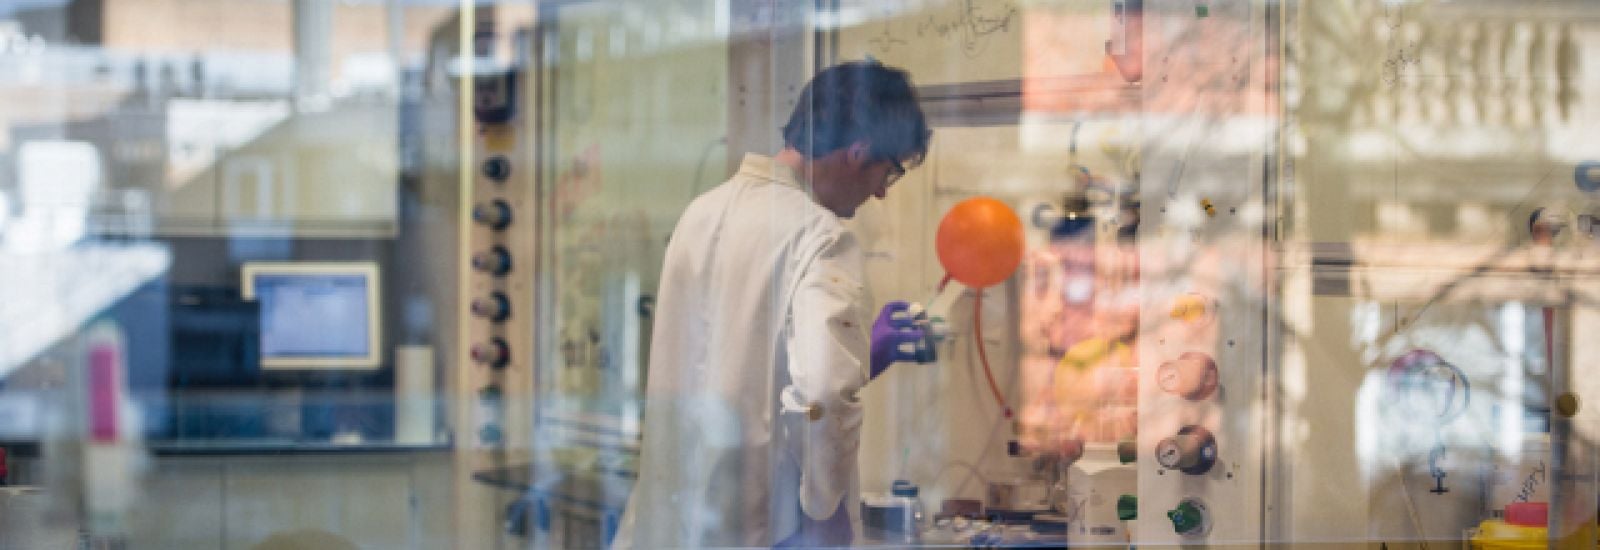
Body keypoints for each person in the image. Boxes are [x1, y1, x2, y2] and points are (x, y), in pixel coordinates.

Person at [612, 61, 933, 548]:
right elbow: (821, 394)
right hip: (764, 529)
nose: (882, 192)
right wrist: (825, 513)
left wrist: (863, 356)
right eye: (889, 172)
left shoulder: (702, 212)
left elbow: (741, 369)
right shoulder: (820, 237)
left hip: (671, 527)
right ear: (859, 151)